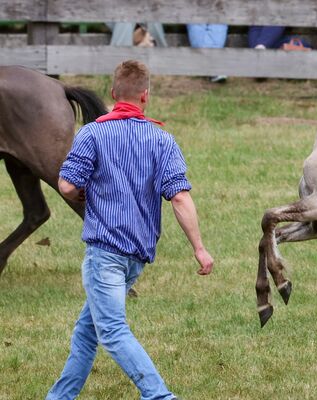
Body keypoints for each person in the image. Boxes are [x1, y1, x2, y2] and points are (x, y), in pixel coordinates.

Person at [46, 60, 214, 400]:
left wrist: (81, 189)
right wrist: (199, 247)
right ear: (145, 96)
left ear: (112, 93)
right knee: (87, 333)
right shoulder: (162, 140)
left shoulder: (92, 133)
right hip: (136, 255)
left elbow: (65, 186)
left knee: (111, 330)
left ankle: (160, 396)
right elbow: (180, 197)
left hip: (105, 253)